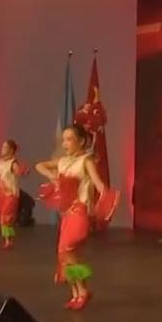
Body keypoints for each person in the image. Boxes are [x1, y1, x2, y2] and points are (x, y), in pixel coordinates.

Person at [36, 125, 108, 310]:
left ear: (81, 141)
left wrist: (105, 201)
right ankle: (76, 293)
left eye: (69, 139)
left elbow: (99, 185)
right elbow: (39, 165)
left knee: (67, 250)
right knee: (64, 254)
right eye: (63, 140)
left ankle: (82, 291)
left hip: (80, 213)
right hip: (67, 215)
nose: (65, 143)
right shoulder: (63, 162)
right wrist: (52, 176)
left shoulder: (86, 161)